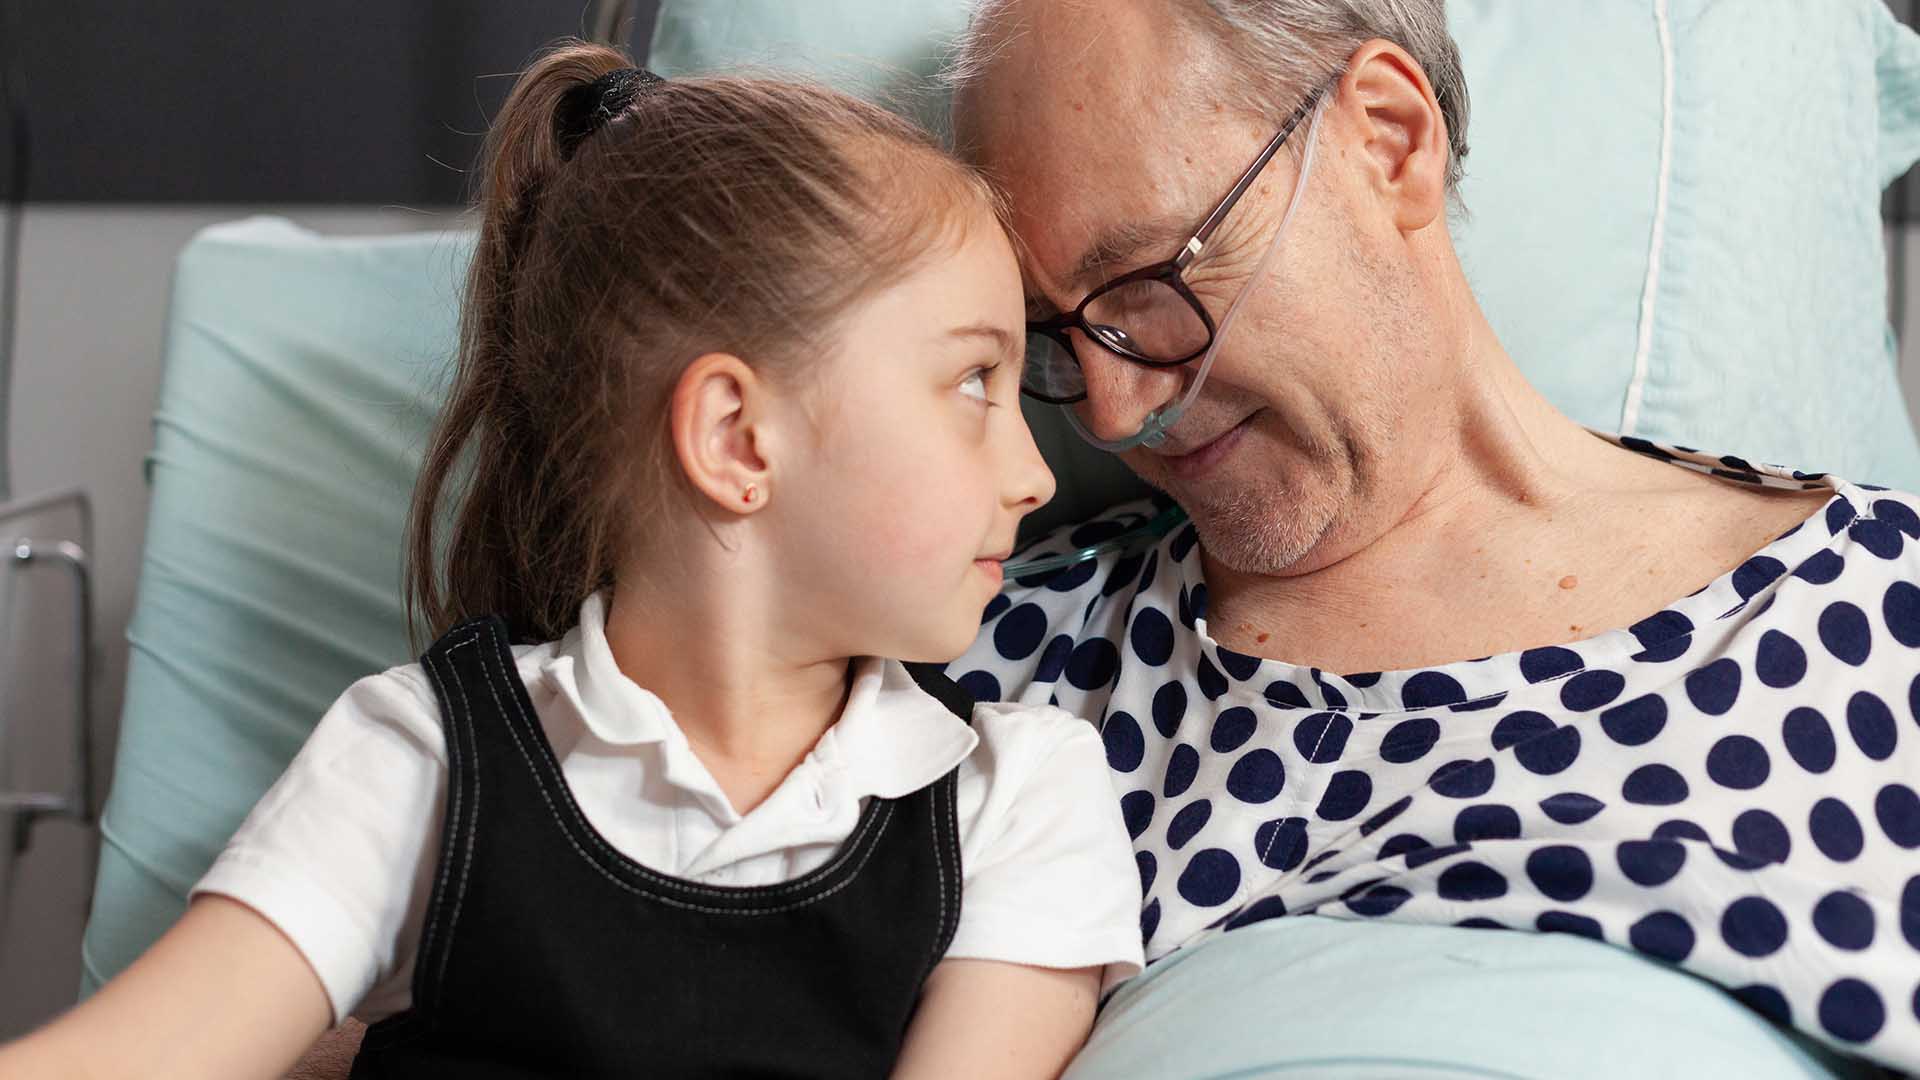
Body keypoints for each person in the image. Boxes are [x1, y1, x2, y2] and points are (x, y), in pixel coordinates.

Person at [0, 41, 1141, 1080]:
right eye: (974, 382)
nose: (1034, 474)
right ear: (738, 440)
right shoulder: (417, 758)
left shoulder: (1019, 801)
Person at [941, 0, 1920, 1073]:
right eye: (1053, 338)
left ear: (1388, 140)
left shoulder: (1880, 613)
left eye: (1151, 285)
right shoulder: (984, 662)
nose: (1115, 411)